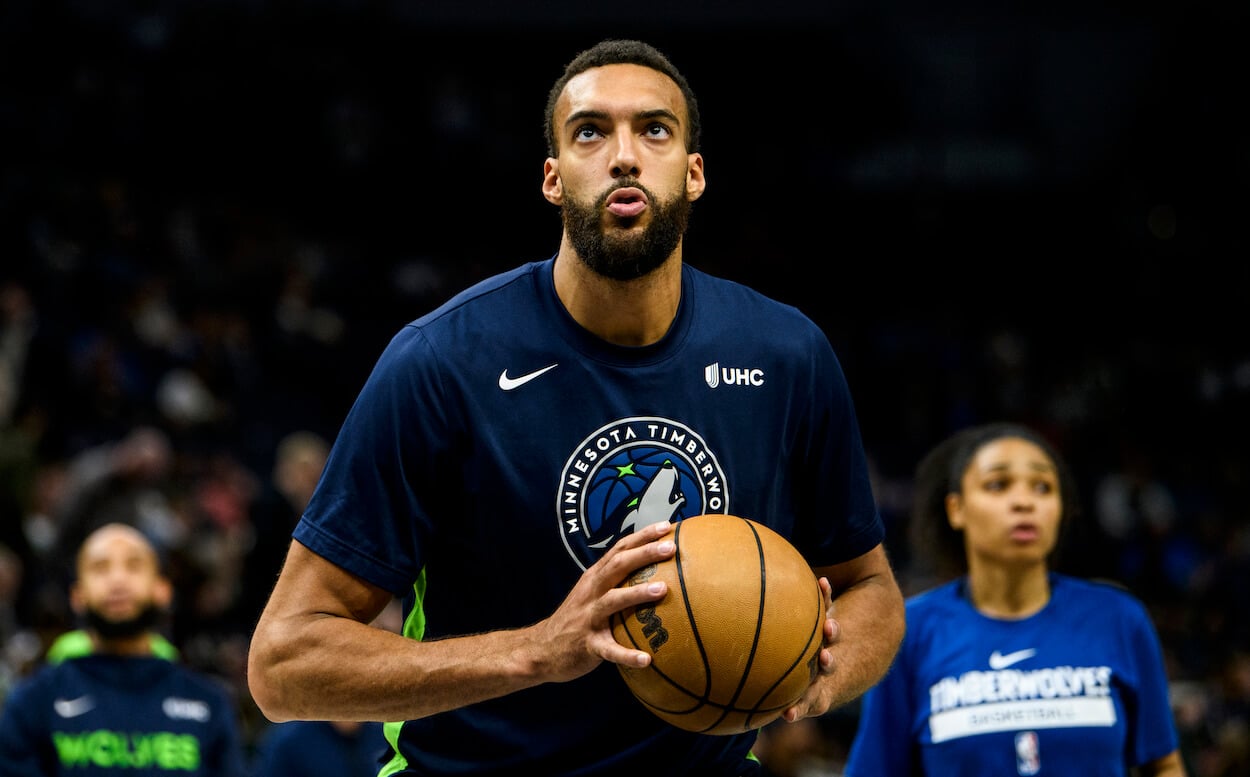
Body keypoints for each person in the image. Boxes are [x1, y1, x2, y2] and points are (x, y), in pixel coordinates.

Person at [247, 38, 905, 777]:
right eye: (590, 131)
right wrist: (536, 650)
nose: (623, 155)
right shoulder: (442, 361)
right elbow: (284, 661)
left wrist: (816, 673)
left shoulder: (788, 354)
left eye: (654, 129)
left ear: (693, 174)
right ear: (554, 180)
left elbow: (869, 586)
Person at [843, 422, 1187, 776]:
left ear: (1061, 510)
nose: (1024, 502)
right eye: (998, 484)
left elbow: (1162, 765)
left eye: (1043, 487)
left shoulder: (1119, 618)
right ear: (955, 509)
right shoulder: (909, 631)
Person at [0, 521, 247, 776]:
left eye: (134, 566)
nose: (117, 580)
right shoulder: (33, 702)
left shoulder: (209, 703)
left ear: (162, 590)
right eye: (100, 568)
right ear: (77, 596)